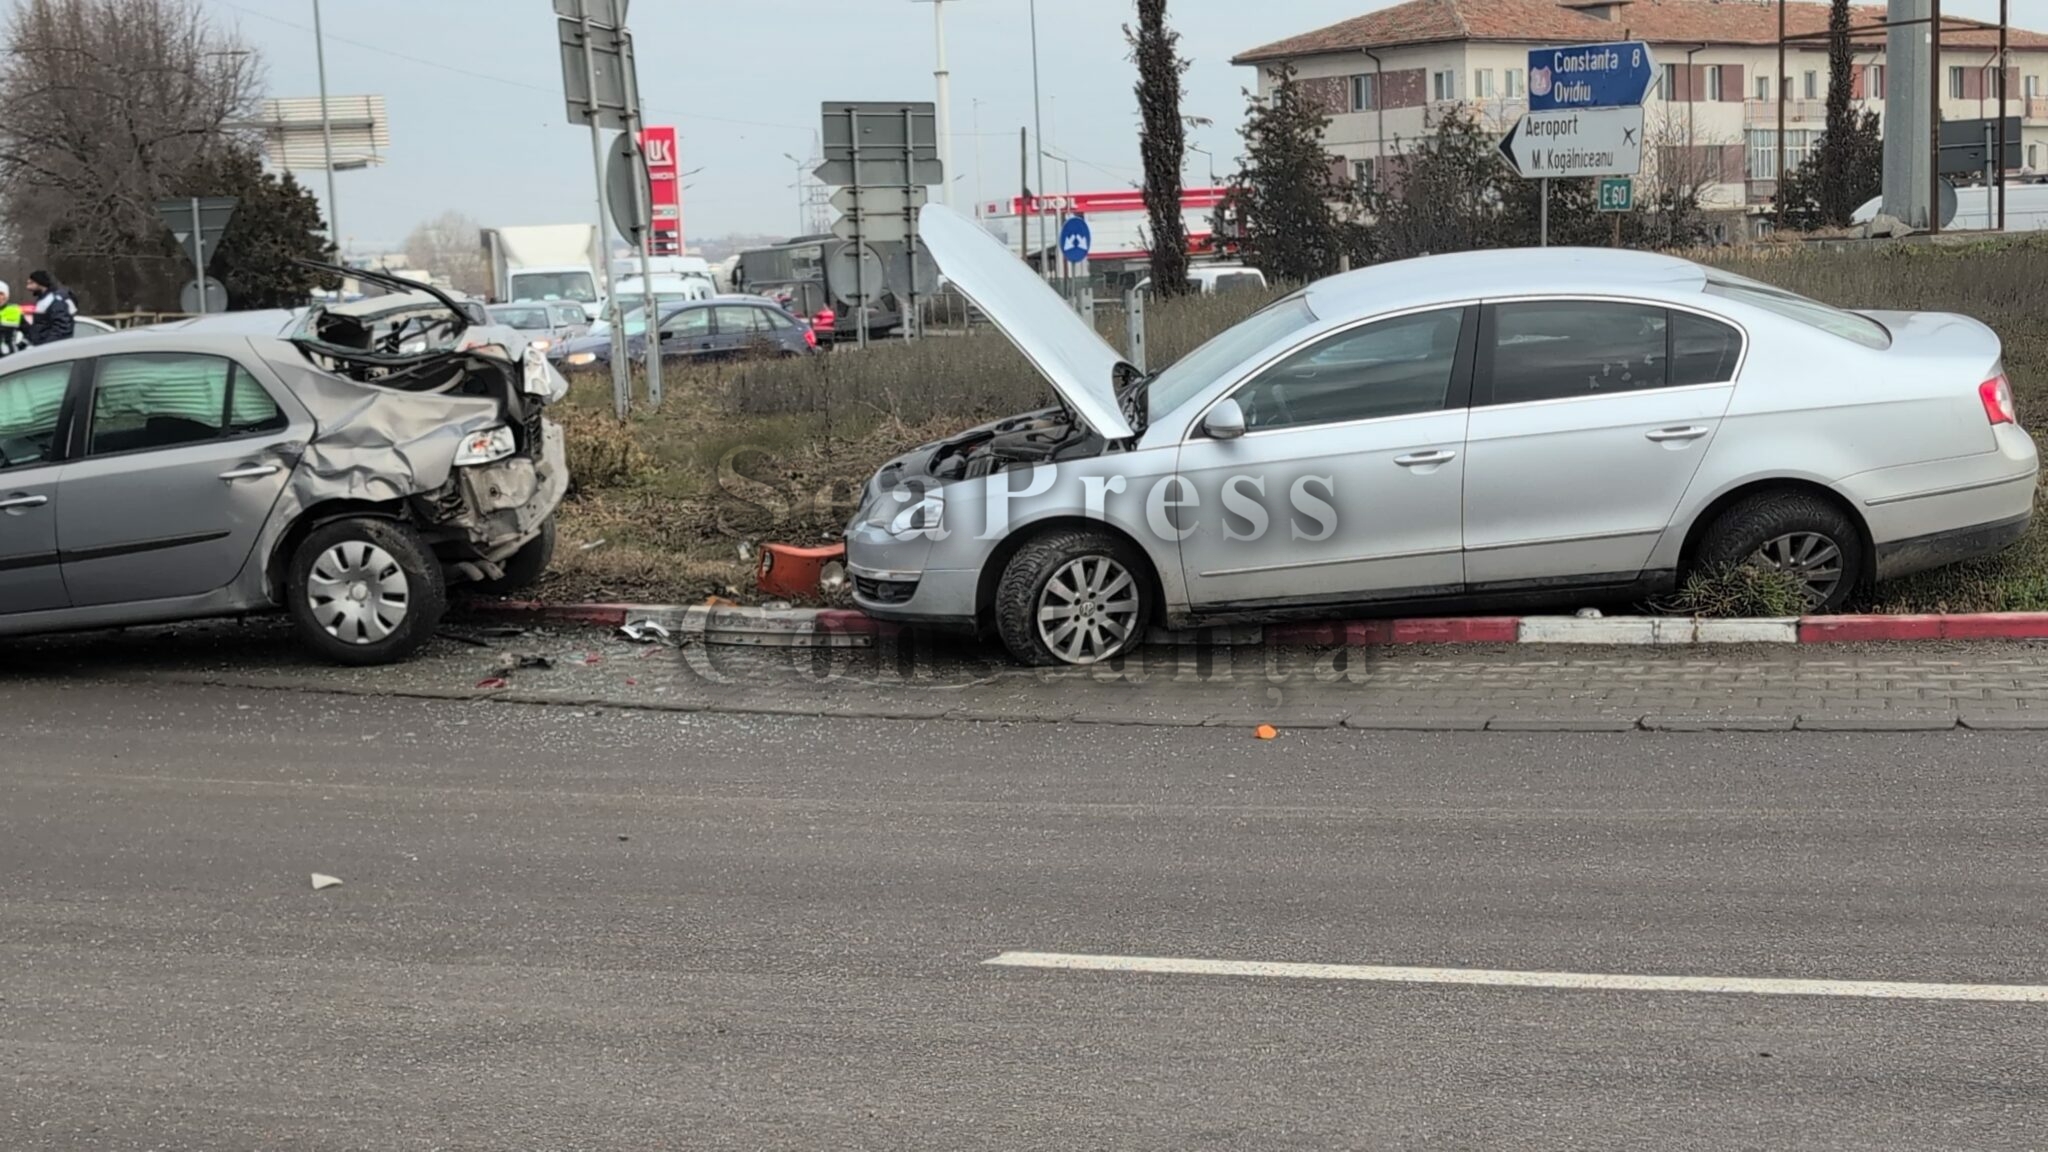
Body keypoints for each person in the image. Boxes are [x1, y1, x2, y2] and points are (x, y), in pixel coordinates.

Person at [23, 270, 75, 346]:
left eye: (31, 282)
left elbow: (61, 328)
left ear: (40, 283)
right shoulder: (43, 299)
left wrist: (46, 345)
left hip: (51, 349)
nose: (28, 283)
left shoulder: (54, 300)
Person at [0, 281, 24, 356]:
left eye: (1, 294)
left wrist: (21, 345)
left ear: (6, 296)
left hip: (10, 356)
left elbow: (29, 332)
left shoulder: (14, 310)